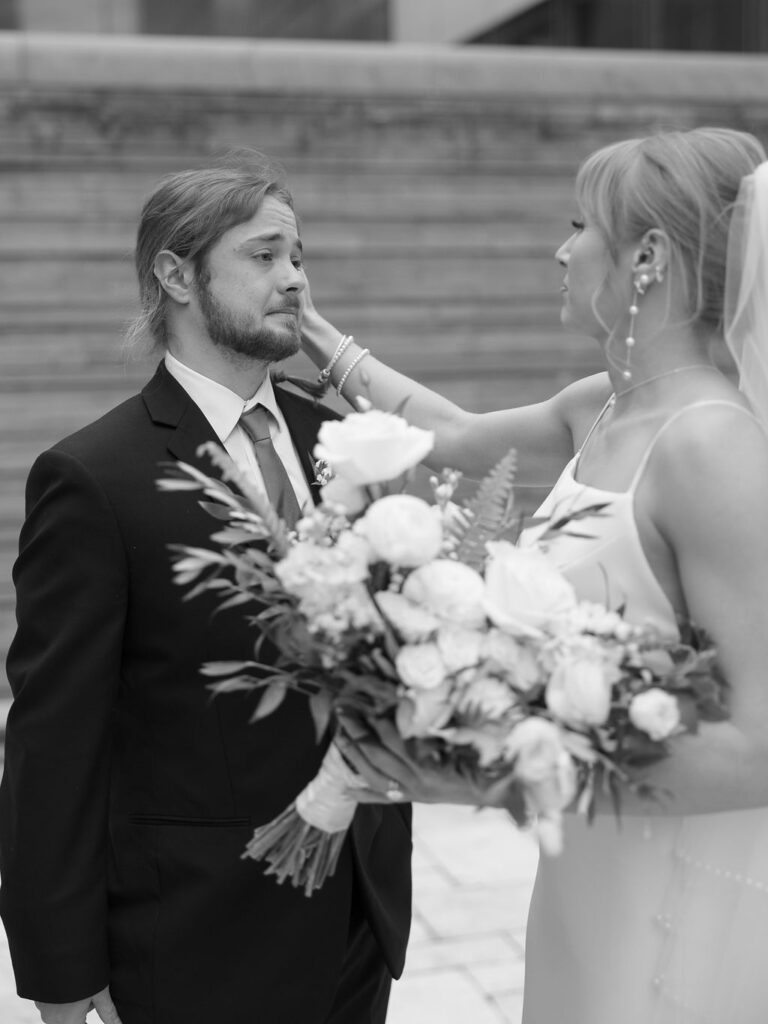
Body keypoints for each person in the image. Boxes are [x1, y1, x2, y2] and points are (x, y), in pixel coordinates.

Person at [299, 127, 768, 1022]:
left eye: (580, 225)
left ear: (648, 258)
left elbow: (760, 749)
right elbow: (450, 434)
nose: (562, 250)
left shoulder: (710, 448)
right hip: (588, 871)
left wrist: (494, 773)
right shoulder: (606, 403)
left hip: (671, 888)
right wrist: (312, 331)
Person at [0, 154, 411, 1024]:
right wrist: (60, 972)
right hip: (194, 936)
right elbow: (53, 743)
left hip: (359, 921)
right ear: (176, 274)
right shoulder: (93, 478)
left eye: (298, 256)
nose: (293, 279)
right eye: (263, 256)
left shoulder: (343, 442)